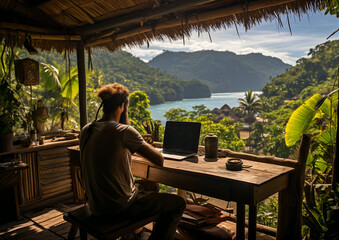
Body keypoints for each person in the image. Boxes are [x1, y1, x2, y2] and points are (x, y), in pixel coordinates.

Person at [79, 83, 186, 240]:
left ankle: (133, 234)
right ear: (122, 106)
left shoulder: (86, 130)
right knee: (178, 204)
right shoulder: (123, 131)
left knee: (152, 186)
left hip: (96, 206)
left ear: (104, 106)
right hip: (119, 208)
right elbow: (159, 159)